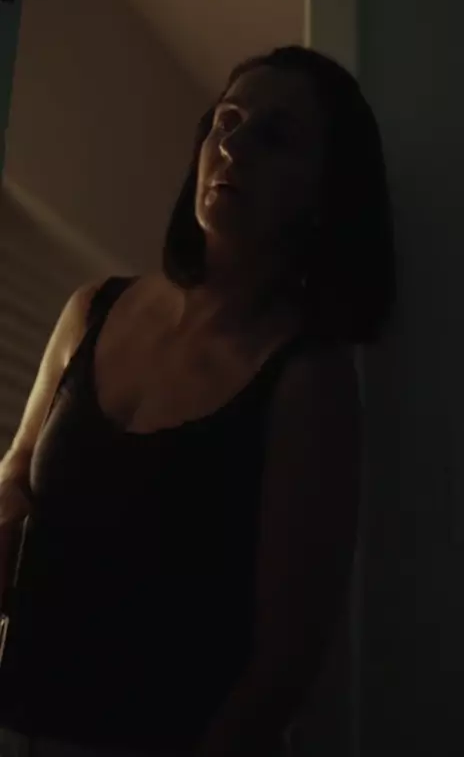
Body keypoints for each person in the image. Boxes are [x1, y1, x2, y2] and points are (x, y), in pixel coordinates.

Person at [0, 45, 395, 757]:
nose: (233, 146)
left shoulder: (309, 381)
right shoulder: (92, 310)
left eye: (275, 137)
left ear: (323, 193)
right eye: (226, 121)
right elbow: (19, 470)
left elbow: (285, 663)